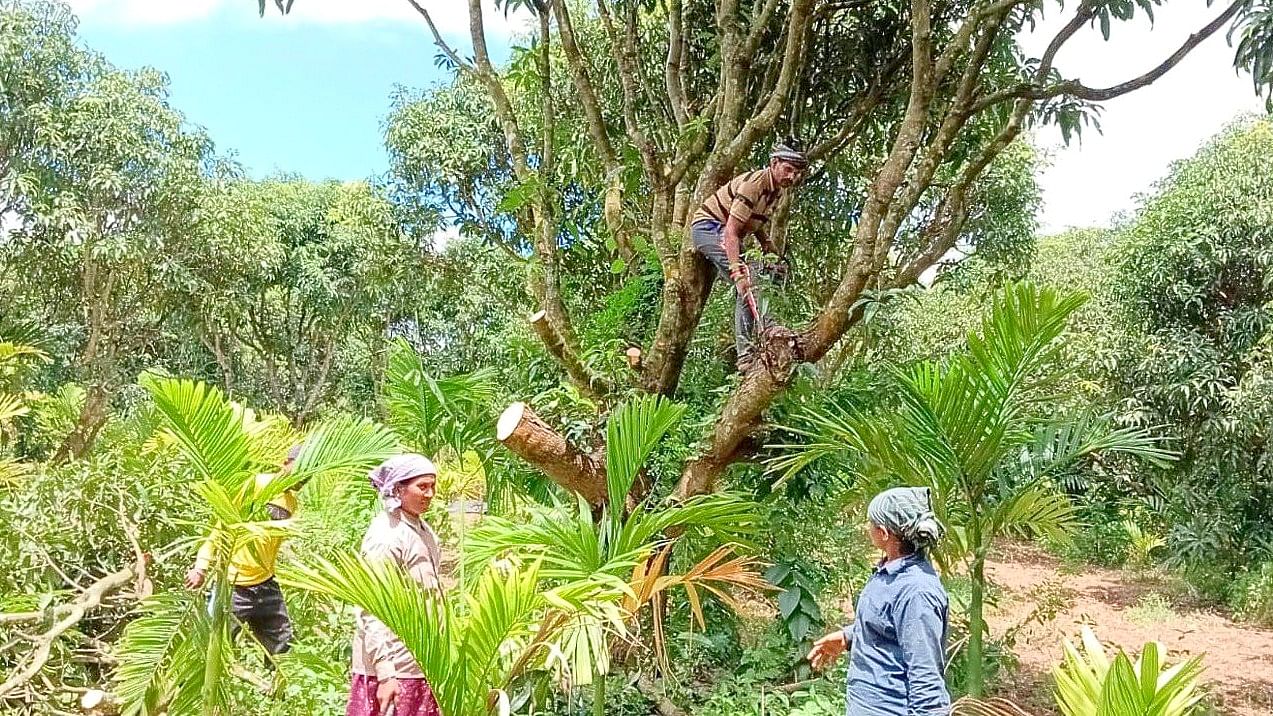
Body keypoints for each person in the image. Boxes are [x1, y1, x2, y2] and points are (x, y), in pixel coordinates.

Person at [807, 487, 951, 716]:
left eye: (870, 523)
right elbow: (890, 623)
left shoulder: (916, 592)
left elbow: (926, 678)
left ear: (884, 533)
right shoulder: (890, 572)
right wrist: (850, 636)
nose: (867, 528)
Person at [690, 139, 808, 371]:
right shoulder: (754, 185)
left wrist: (765, 242)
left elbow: (752, 218)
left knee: (768, 274)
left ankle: (750, 349)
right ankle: (764, 336)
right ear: (774, 163)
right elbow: (732, 232)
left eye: (796, 173)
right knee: (748, 279)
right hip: (710, 228)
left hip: (726, 232)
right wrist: (737, 271)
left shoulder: (776, 192)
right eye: (788, 169)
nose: (792, 177)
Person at [347, 454, 444, 716]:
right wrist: (385, 672)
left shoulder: (421, 528)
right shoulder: (386, 536)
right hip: (394, 665)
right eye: (422, 487)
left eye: (432, 486)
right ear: (399, 489)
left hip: (420, 659)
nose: (430, 494)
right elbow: (372, 607)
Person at [186, 444, 303, 658]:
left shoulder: (291, 502)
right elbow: (222, 525)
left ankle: (279, 689)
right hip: (233, 586)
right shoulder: (255, 485)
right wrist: (201, 566)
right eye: (302, 468)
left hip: (266, 585)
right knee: (210, 649)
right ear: (285, 463)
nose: (304, 477)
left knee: (283, 649)